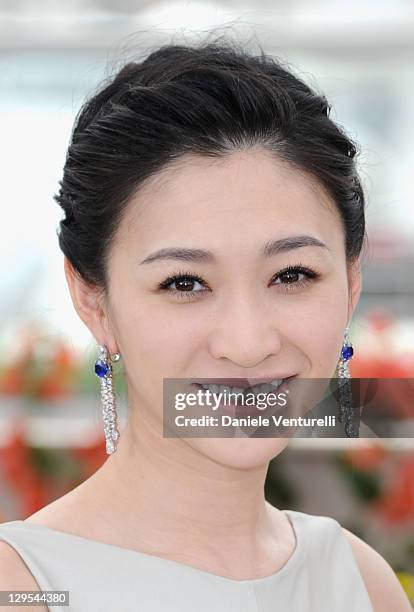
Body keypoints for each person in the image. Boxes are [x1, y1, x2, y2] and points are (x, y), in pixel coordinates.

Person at [0, 35, 411, 612]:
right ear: (93, 300)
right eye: (184, 283)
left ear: (351, 281)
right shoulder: (23, 589)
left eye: (291, 275)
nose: (246, 344)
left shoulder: (361, 582)